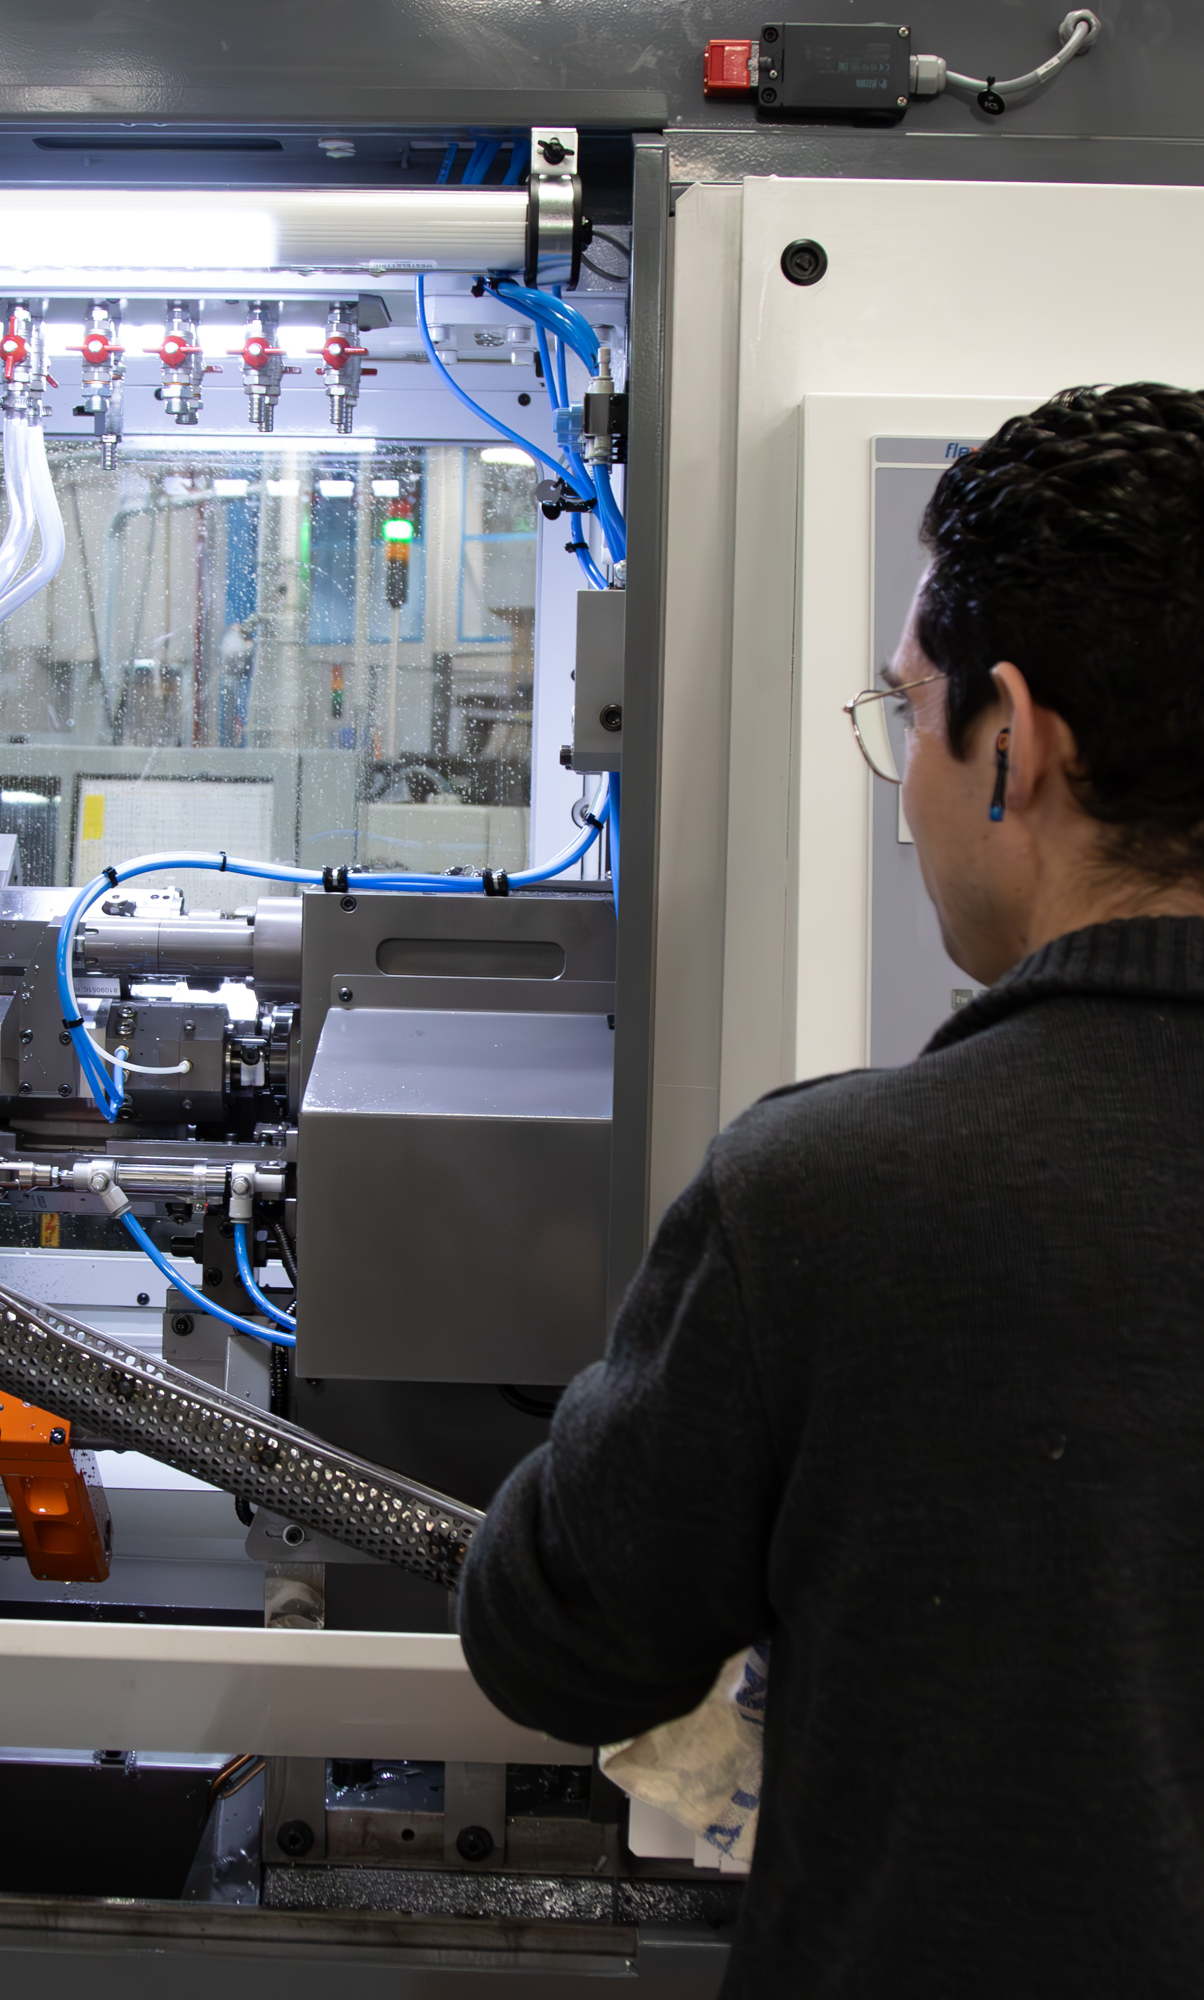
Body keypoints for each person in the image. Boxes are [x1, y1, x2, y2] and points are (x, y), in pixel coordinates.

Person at [457, 383, 1204, 1996]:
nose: (906, 781)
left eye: (907, 711)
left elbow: (553, 1638)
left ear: (1012, 741)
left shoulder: (834, 1202)